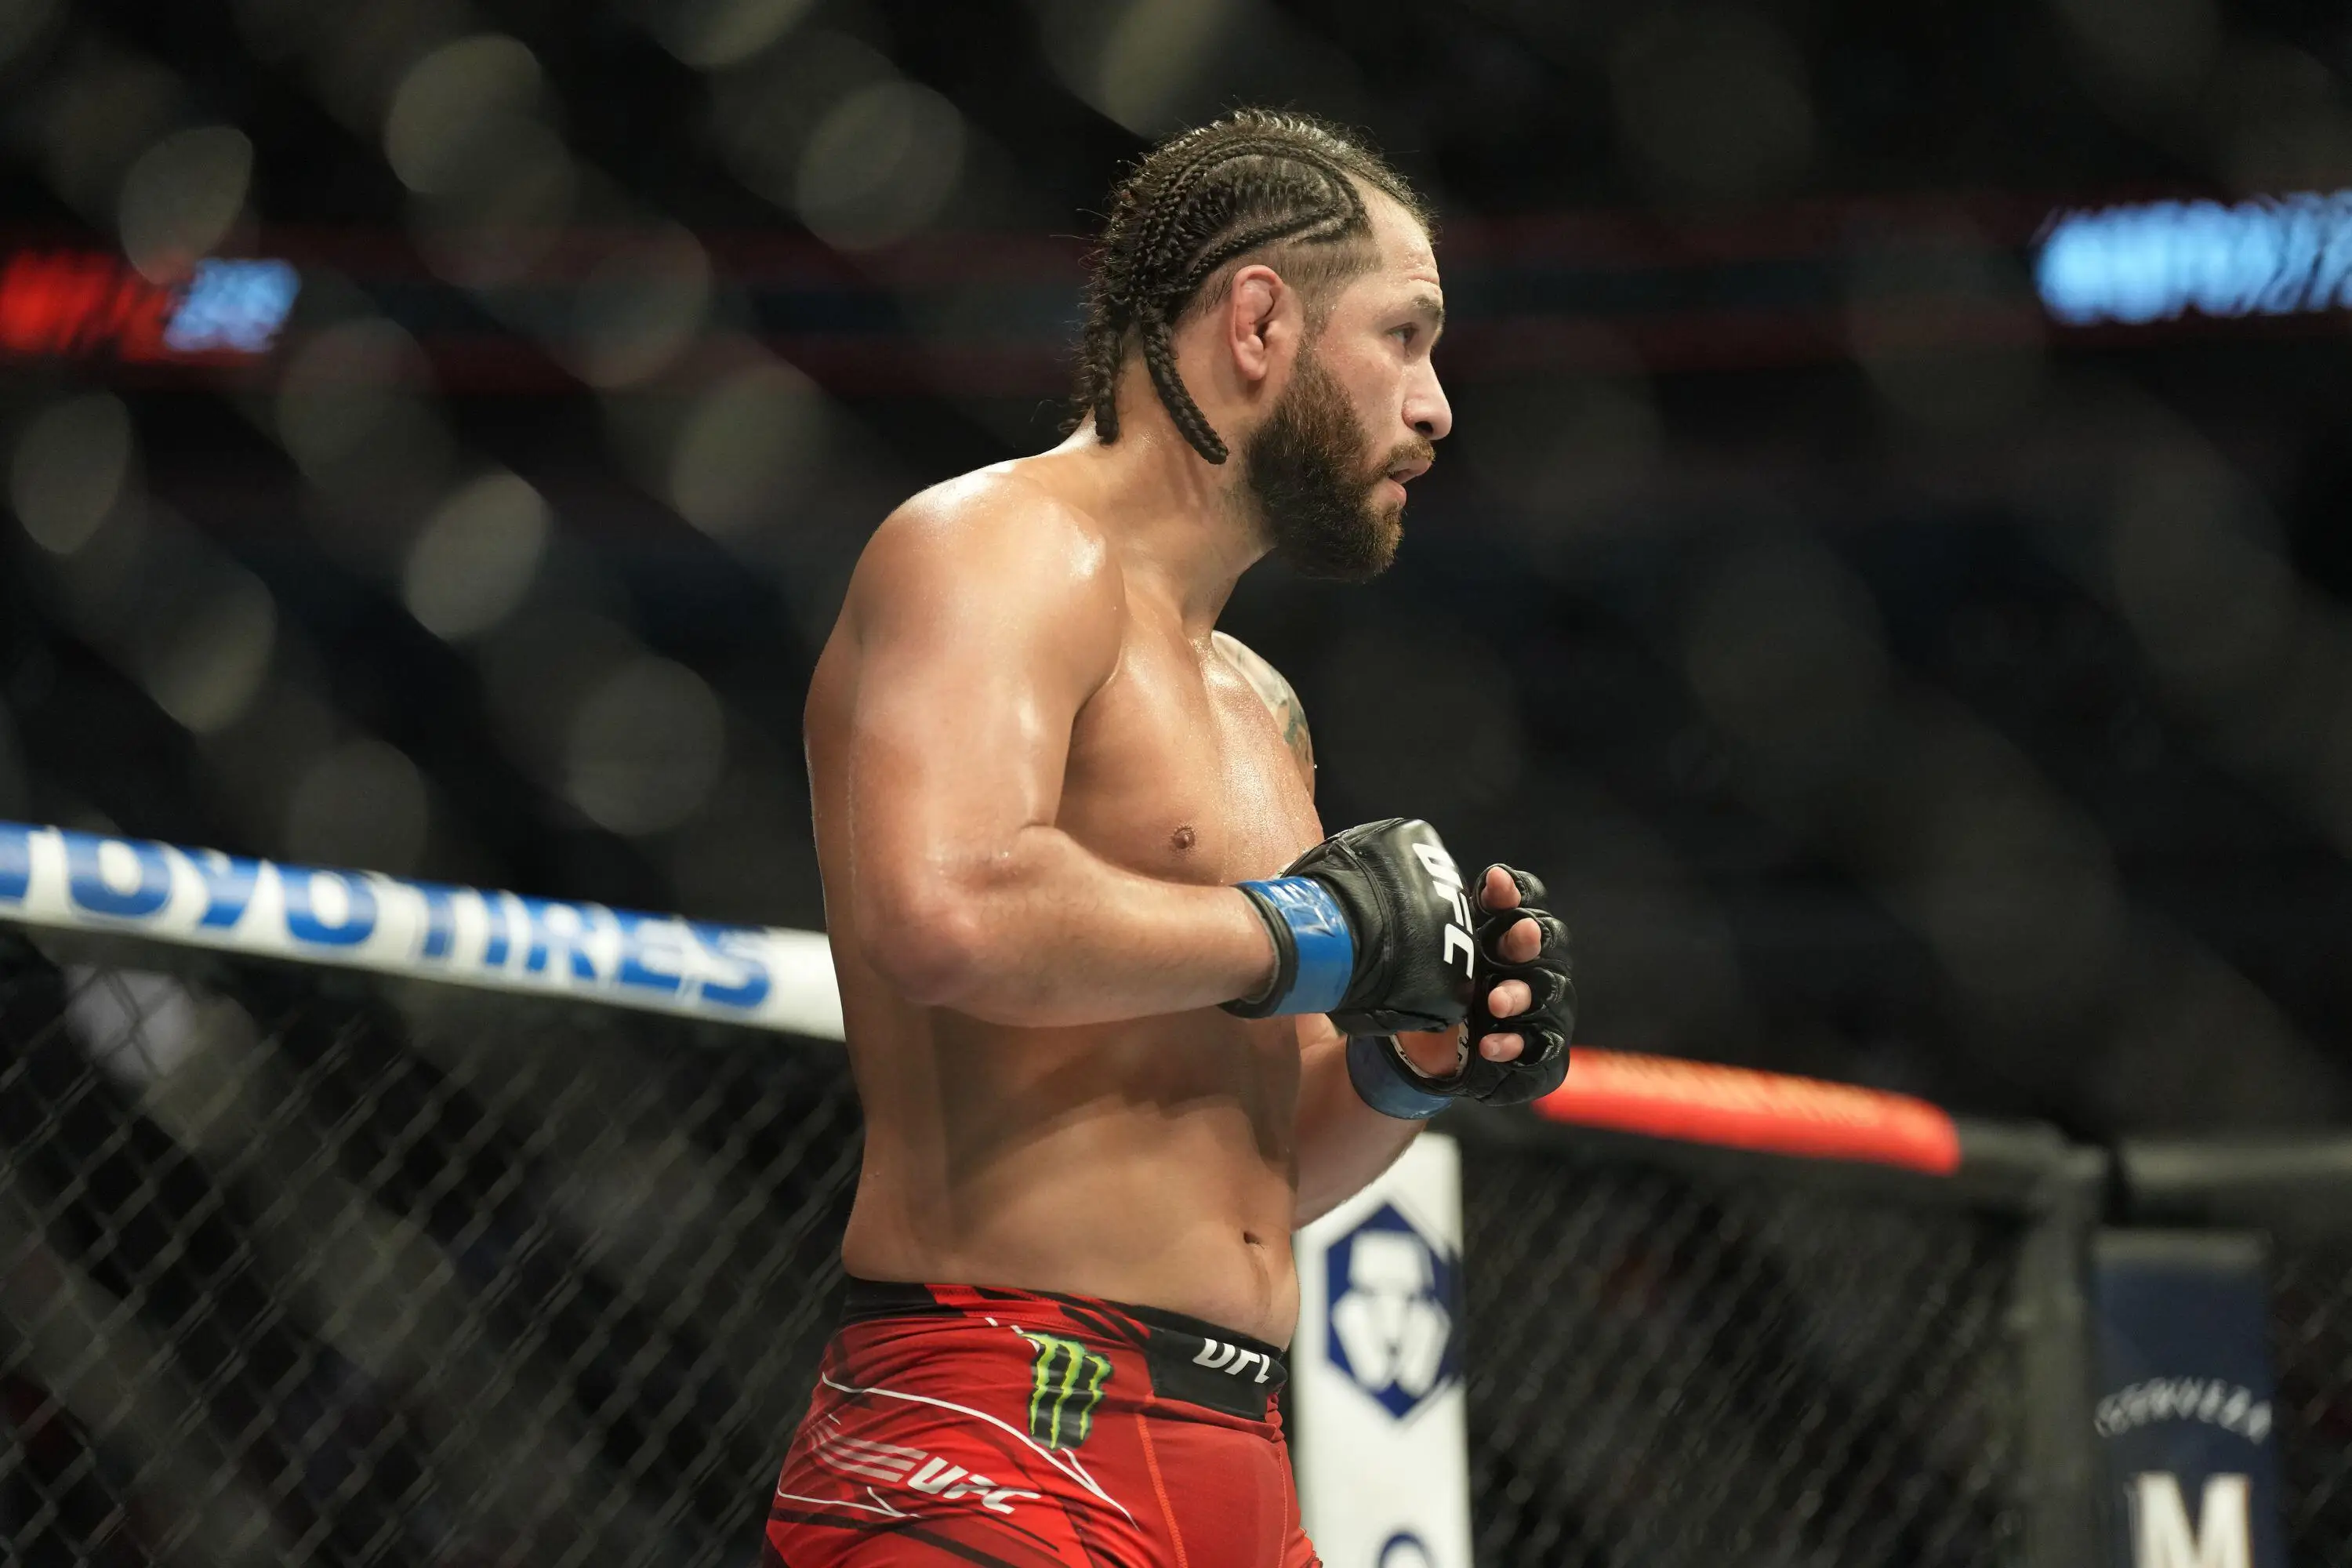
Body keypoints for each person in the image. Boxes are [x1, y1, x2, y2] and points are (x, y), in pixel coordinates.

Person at [768, 109, 1576, 1568]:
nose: (1439, 403)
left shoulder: (1257, 700)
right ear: (1259, 320)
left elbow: (1263, 1172)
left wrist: (1412, 1061)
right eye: (1405, 336)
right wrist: (1320, 934)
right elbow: (946, 908)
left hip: (1239, 1461)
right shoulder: (991, 546)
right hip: (998, 1428)